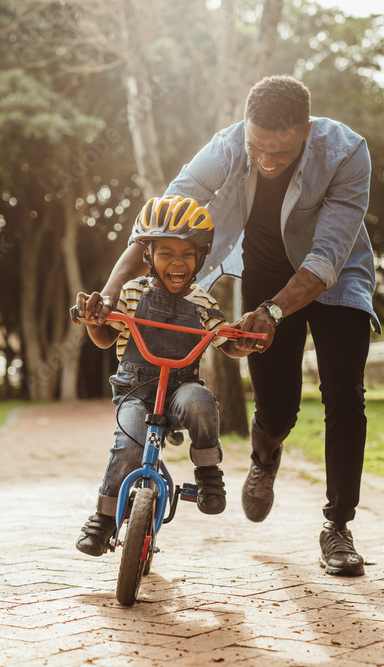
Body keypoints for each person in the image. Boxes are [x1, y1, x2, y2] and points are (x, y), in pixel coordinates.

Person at [83, 75, 379, 576]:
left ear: (305, 131)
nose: (265, 161)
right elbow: (160, 222)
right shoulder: (226, 146)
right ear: (246, 127)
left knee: (344, 392)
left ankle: (338, 526)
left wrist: (275, 313)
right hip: (266, 269)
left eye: (279, 154)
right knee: (278, 406)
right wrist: (109, 295)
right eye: (257, 147)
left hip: (336, 273)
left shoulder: (347, 153)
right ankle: (265, 454)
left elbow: (326, 256)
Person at [73, 195, 253, 557]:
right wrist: (94, 321)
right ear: (148, 256)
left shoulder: (203, 302)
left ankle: (207, 473)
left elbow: (226, 341)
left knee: (202, 403)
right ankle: (104, 518)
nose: (177, 262)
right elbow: (107, 336)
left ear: (201, 258)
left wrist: (244, 341)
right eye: (166, 253)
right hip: (135, 390)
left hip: (180, 388)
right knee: (129, 444)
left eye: (188, 254)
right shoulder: (130, 292)